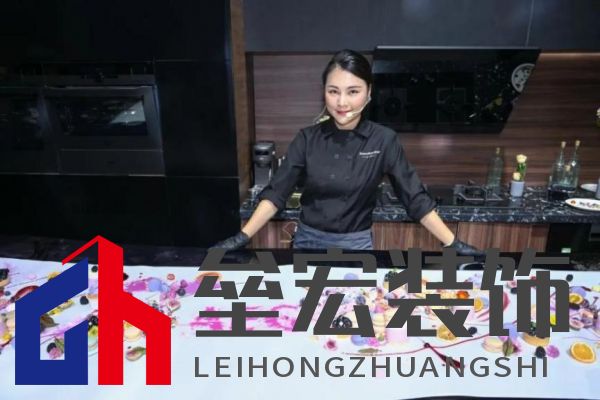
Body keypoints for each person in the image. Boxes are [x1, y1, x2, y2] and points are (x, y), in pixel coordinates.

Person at [214, 49, 481, 255]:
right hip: (307, 242)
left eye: (353, 91)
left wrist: (453, 243)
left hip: (357, 245)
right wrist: (242, 237)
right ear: (324, 93)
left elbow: (415, 198)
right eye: (334, 91)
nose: (342, 102)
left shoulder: (384, 140)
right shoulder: (307, 138)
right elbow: (276, 194)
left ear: (369, 93)